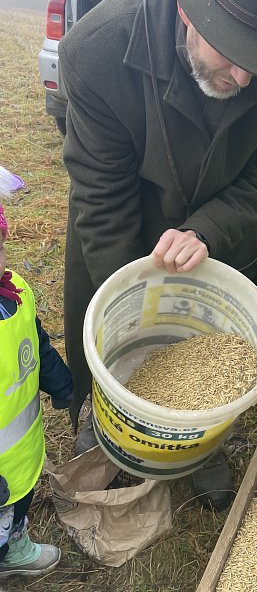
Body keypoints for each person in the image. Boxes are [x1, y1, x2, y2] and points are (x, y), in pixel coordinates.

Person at [59, 0, 257, 510]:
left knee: (205, 339)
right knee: (117, 334)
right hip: (124, 221)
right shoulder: (97, 52)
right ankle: (106, 412)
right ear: (188, 11)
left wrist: (206, 229)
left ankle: (199, 437)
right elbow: (102, 196)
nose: (244, 76)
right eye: (231, 52)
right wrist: (134, 302)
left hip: (219, 228)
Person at [0, 194, 73, 579]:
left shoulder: (15, 293)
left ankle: (14, 548)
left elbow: (35, 346)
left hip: (20, 455)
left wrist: (63, 385)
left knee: (17, 506)